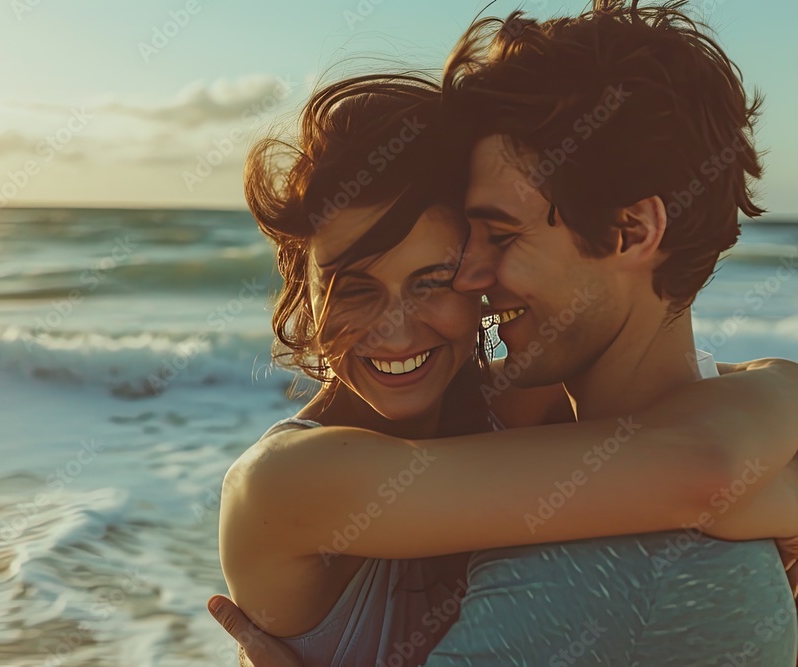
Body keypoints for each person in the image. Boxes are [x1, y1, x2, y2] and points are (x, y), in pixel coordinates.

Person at [210, 5, 798, 660]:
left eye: (438, 275)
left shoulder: (512, 401)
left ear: (633, 231)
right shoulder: (284, 481)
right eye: (352, 286)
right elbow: (699, 466)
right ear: (305, 286)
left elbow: (693, 459)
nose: (396, 329)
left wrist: (779, 397)